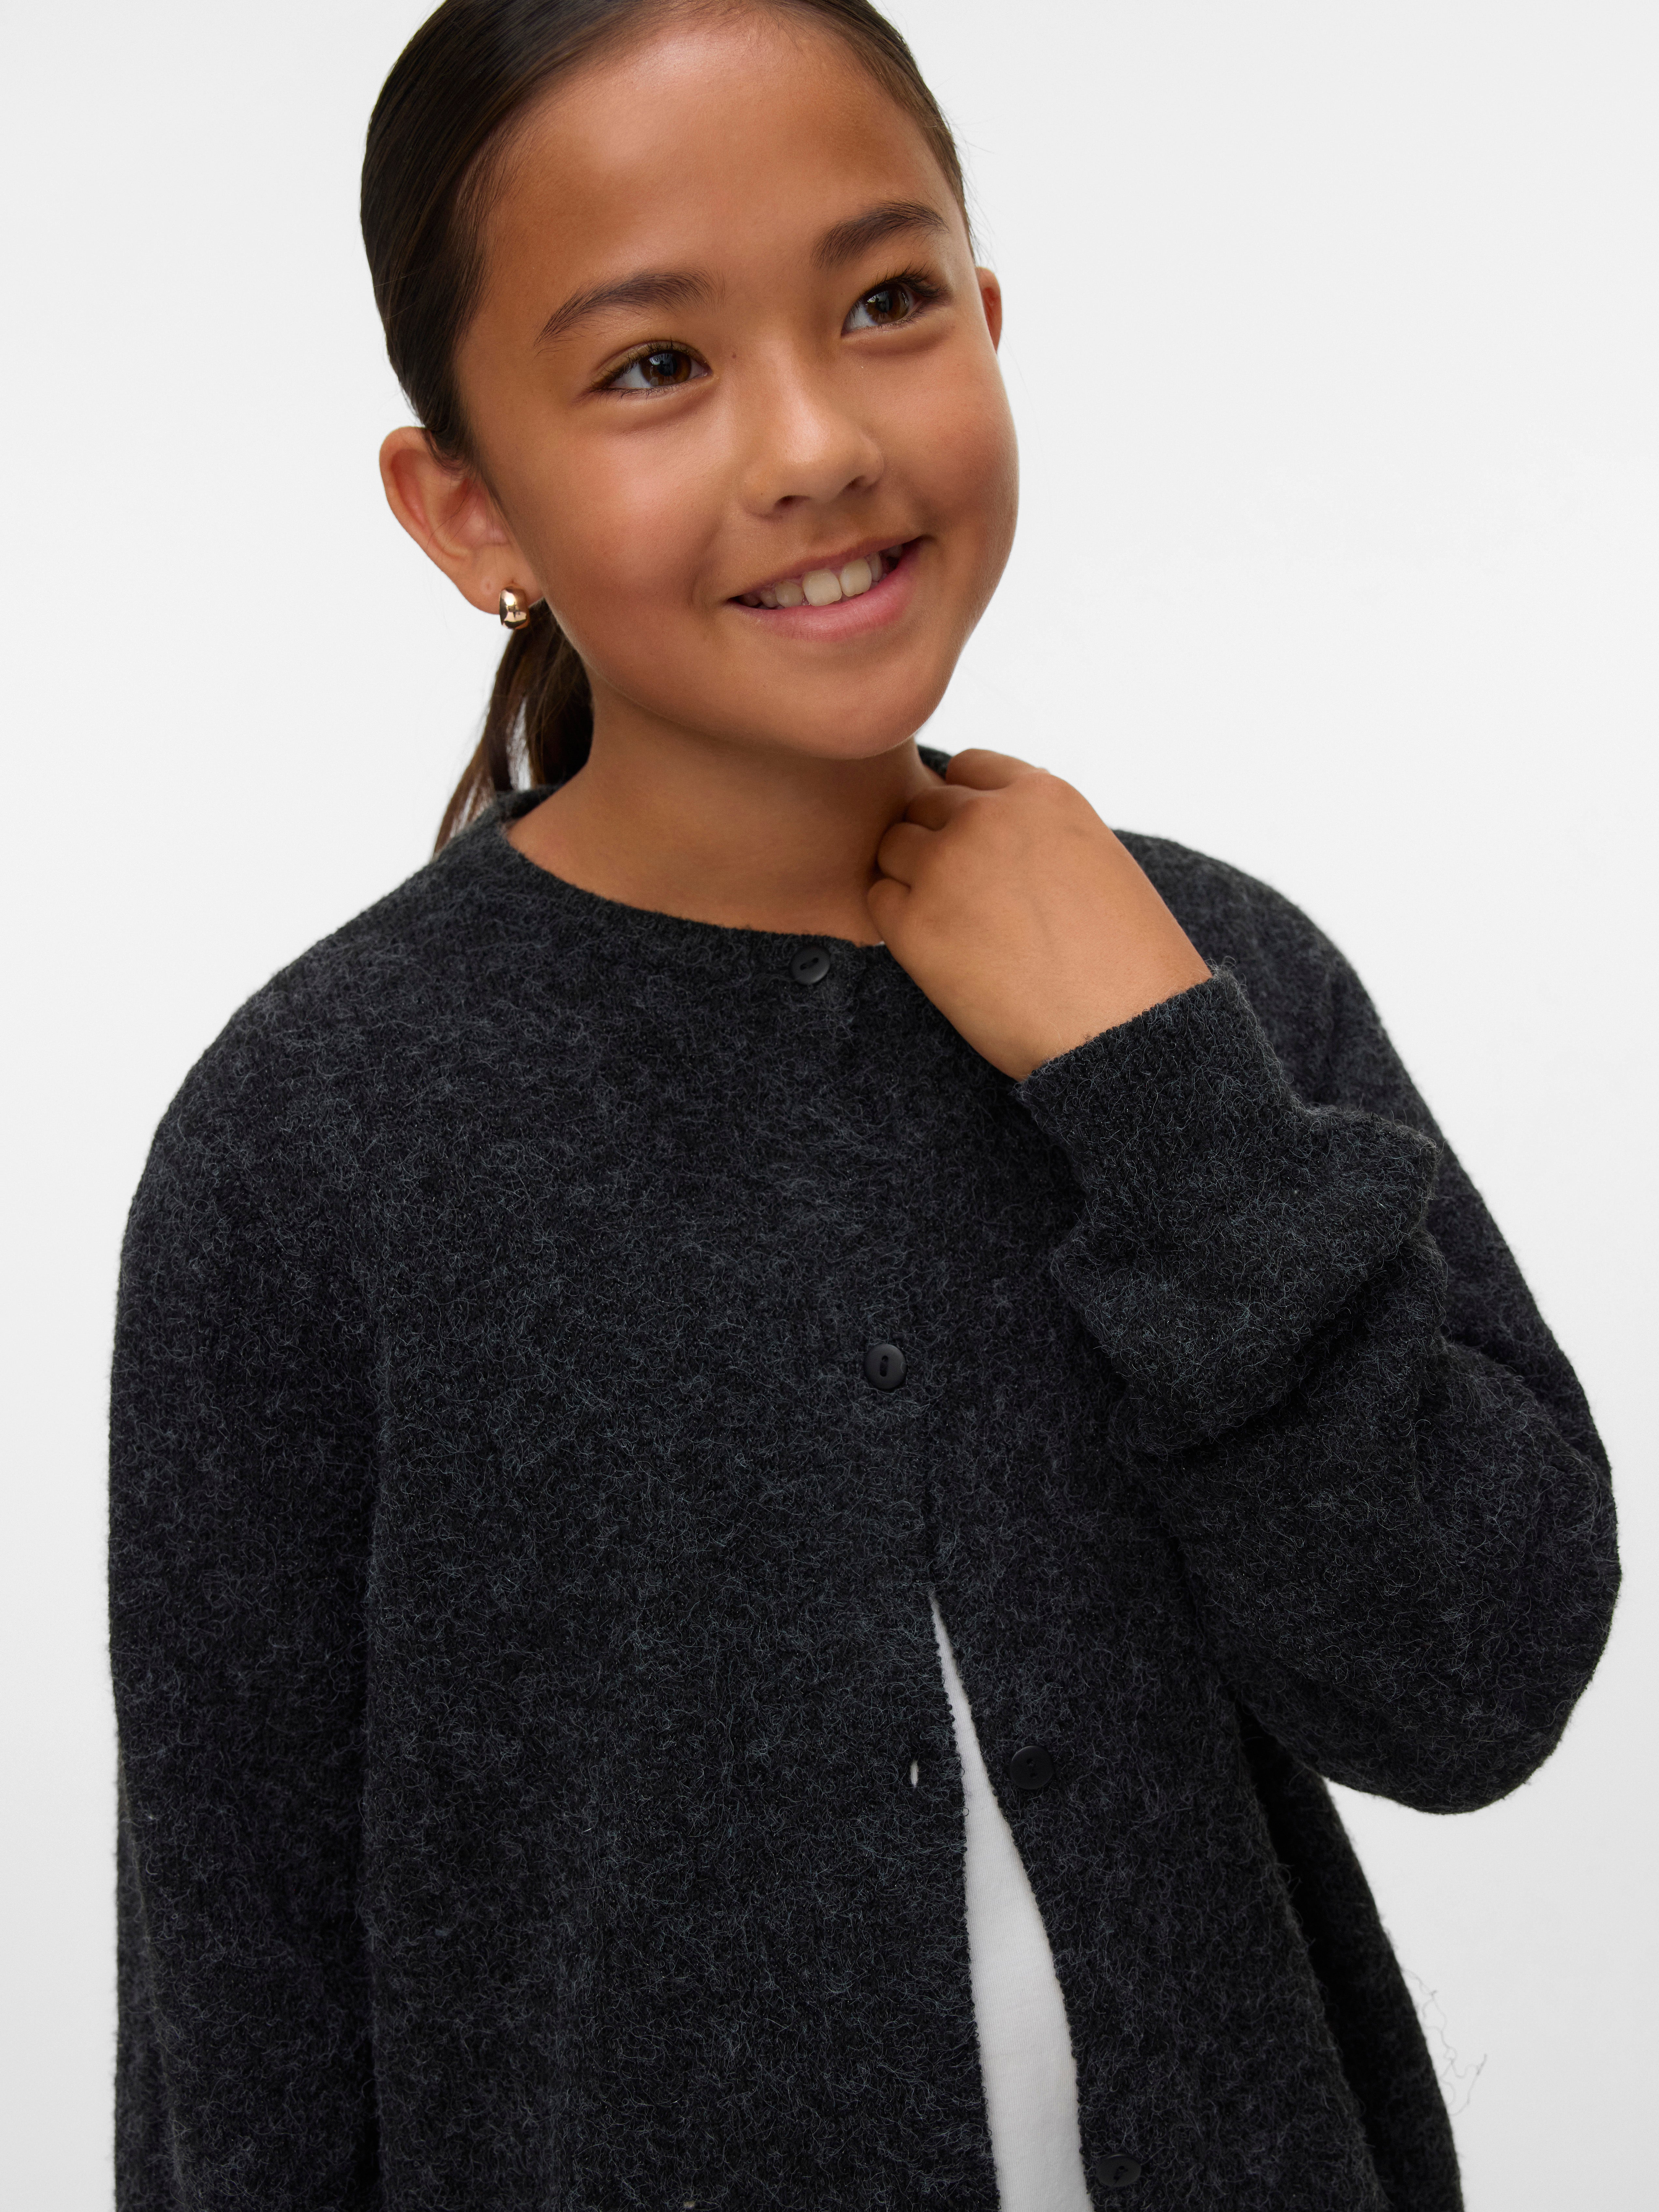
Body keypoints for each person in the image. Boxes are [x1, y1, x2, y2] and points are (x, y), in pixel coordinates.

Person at [108, 3, 1619, 2207]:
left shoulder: (1202, 976)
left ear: (989, 321)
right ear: (465, 506)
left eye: (886, 302)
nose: (814, 442)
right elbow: (236, 1990)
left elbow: (1469, 1680)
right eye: (654, 363)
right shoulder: (311, 1139)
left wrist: (1158, 1090)